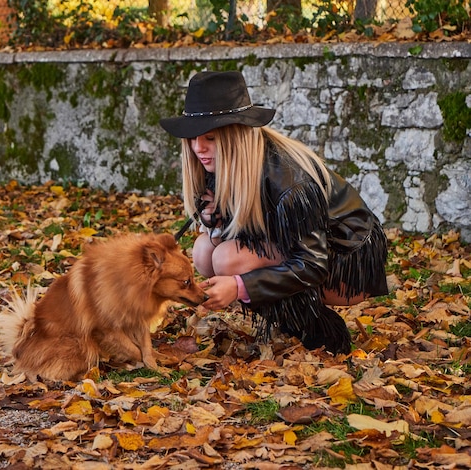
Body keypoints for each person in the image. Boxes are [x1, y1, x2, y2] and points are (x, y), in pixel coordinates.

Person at [160, 71, 389, 354]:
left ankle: (320, 330)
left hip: (349, 262)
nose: (198, 148)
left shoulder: (289, 180)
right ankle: (294, 321)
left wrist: (239, 286)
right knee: (204, 250)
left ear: (236, 137)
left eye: (210, 137)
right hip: (304, 252)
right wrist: (217, 222)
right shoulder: (228, 163)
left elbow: (312, 265)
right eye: (193, 138)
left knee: (228, 260)